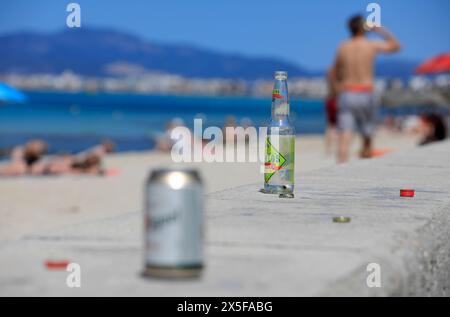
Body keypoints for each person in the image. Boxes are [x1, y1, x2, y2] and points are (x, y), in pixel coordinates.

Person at [329, 15, 401, 163]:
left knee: (344, 135)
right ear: (364, 28)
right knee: (367, 135)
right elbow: (396, 46)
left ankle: (340, 170)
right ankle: (366, 164)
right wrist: (380, 30)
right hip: (366, 92)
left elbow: (333, 72)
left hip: (347, 92)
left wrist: (336, 91)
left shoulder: (343, 46)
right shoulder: (370, 45)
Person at [324, 68, 338, 156]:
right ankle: (338, 146)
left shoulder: (329, 80)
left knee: (330, 126)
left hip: (329, 100)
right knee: (340, 125)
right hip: (336, 101)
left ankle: (328, 148)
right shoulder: (337, 81)